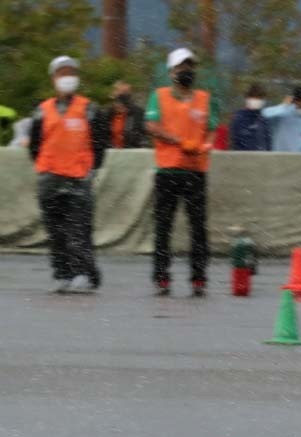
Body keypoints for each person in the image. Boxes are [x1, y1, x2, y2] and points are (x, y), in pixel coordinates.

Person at [29, 55, 106, 293]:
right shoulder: (42, 111)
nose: (67, 78)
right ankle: (62, 273)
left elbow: (100, 144)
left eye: (71, 73)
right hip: (50, 179)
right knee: (56, 232)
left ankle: (85, 272)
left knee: (79, 230)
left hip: (79, 179)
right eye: (62, 73)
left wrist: (89, 168)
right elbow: (34, 145)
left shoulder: (89, 109)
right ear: (53, 78)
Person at [145, 47, 217, 297]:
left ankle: (199, 276)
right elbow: (152, 126)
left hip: (195, 170)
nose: (186, 71)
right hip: (168, 169)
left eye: (190, 66)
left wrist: (205, 145)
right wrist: (179, 141)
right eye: (181, 67)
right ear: (171, 71)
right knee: (163, 225)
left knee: (198, 226)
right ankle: (161, 276)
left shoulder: (204, 98)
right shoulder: (160, 96)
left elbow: (211, 128)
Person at [261, 86, 301, 153]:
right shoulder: (284, 111)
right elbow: (264, 113)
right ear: (295, 101)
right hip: (281, 154)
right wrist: (283, 105)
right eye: (300, 106)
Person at [100, 81, 148, 149]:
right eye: (117, 93)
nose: (119, 99)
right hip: (111, 154)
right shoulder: (107, 114)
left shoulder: (138, 113)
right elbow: (102, 137)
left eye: (124, 94)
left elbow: (143, 138)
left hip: (132, 153)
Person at [229, 83, 271, 151]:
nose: (257, 101)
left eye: (259, 98)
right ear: (247, 98)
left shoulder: (264, 120)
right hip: (243, 158)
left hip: (262, 159)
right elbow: (234, 142)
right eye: (254, 97)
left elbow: (268, 143)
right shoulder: (238, 118)